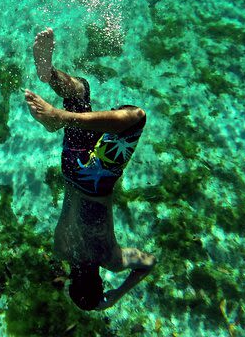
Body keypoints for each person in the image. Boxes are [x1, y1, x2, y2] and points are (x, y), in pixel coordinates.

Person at [24, 27, 156, 311]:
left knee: (135, 118)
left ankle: (58, 116)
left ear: (100, 280)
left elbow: (148, 263)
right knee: (80, 92)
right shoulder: (60, 249)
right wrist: (95, 298)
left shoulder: (111, 258)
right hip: (71, 171)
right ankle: (49, 75)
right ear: (72, 278)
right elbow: (66, 274)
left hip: (97, 179)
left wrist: (114, 296)